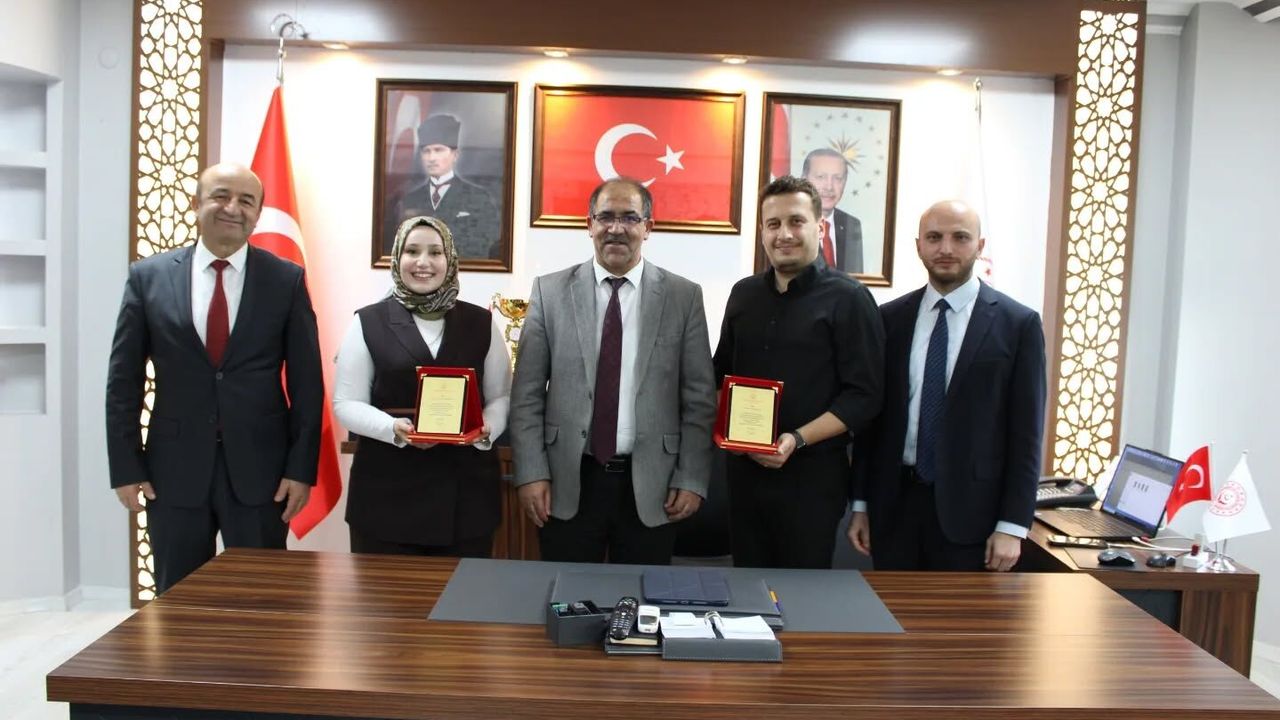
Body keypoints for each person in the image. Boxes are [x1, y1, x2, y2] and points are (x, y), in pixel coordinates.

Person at [105, 162, 323, 593]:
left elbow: (307, 385)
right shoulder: (148, 278)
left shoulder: (286, 280)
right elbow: (123, 382)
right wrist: (126, 466)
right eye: (221, 196)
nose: (233, 208)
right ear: (196, 204)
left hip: (263, 472)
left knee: (261, 596)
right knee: (178, 598)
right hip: (172, 471)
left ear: (257, 214)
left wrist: (301, 469)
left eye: (247, 201)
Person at [509, 178, 717, 564]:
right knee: (566, 593)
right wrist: (531, 472)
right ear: (589, 224)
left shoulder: (683, 296)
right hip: (568, 481)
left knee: (642, 597)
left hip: (653, 486)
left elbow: (699, 399)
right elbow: (527, 395)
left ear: (648, 227)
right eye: (606, 217)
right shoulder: (549, 292)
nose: (616, 228)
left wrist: (691, 477)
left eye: (630, 218)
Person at [848, 200, 1046, 571]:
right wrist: (861, 504)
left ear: (980, 246)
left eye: (960, 238)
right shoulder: (889, 319)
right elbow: (872, 422)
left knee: (958, 612)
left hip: (974, 518)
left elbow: (1027, 435)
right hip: (893, 510)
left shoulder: (1018, 325)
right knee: (889, 609)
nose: (946, 248)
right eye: (934, 237)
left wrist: (1013, 524)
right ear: (918, 245)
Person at [714, 176, 884, 568]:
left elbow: (865, 396)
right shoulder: (744, 294)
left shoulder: (850, 298)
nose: (784, 234)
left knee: (802, 592)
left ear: (819, 227)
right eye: (773, 224)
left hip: (812, 479)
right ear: (762, 231)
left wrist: (796, 439)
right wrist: (727, 432)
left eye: (796, 221)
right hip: (744, 476)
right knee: (747, 585)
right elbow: (721, 374)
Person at [334, 215, 512, 556]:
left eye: (435, 252)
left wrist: (487, 427)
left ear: (450, 259)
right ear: (397, 257)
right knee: (385, 593)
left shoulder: (482, 322)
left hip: (467, 499)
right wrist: (393, 429)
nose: (423, 262)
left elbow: (501, 395)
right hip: (385, 499)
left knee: (462, 591)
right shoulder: (367, 321)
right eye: (412, 251)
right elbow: (346, 403)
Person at [395, 114, 501, 260]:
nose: (431, 158)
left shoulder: (478, 198)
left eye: (438, 150)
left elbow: (488, 242)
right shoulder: (410, 200)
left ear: (455, 155)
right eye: (426, 151)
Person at [802, 148, 864, 274]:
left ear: (845, 182)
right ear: (804, 179)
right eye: (821, 177)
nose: (829, 187)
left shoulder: (852, 224)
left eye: (838, 178)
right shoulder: (792, 224)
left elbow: (856, 279)